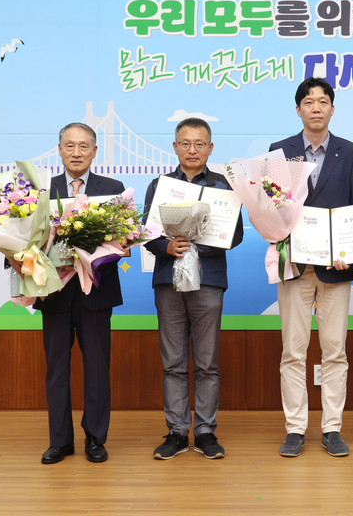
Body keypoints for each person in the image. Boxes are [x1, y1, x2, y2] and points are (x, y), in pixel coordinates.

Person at [269, 77, 353, 457]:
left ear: (332, 108)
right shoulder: (280, 152)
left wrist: (352, 249)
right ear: (298, 110)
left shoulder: (352, 152)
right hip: (294, 264)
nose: (316, 107)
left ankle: (332, 428)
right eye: (309, 101)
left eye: (323, 101)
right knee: (293, 352)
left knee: (335, 351)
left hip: (335, 267)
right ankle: (295, 428)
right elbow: (271, 208)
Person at [144, 118, 243, 461]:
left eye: (199, 144)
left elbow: (235, 234)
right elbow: (146, 233)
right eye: (185, 143)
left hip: (208, 280)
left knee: (206, 363)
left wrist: (201, 244)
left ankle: (205, 432)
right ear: (175, 147)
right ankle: (176, 432)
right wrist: (167, 247)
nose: (192, 150)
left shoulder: (224, 186)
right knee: (172, 362)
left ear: (210, 148)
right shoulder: (160, 185)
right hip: (168, 281)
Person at [36, 122, 126, 464]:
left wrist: (117, 245)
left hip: (96, 293)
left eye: (84, 146)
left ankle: (95, 439)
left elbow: (123, 238)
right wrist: (16, 258)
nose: (76, 152)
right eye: (70, 146)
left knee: (98, 369)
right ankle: (60, 441)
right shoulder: (42, 189)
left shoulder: (113, 189)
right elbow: (24, 238)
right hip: (54, 293)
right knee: (56, 370)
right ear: (59, 150)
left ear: (94, 151)